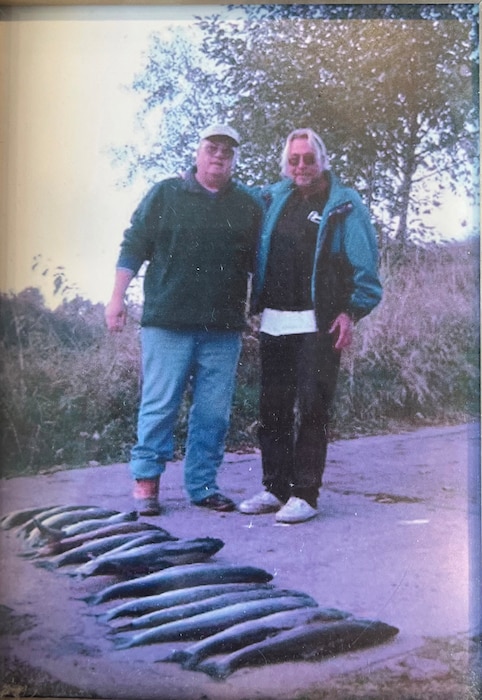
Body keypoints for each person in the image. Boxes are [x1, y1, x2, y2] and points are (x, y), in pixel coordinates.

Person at [105, 124, 262, 516]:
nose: (219, 155)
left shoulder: (247, 204)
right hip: (167, 324)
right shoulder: (165, 193)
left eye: (228, 150)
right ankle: (146, 483)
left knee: (213, 413)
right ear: (198, 151)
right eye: (212, 147)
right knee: (159, 407)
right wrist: (116, 297)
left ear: (234, 158)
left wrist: (262, 305)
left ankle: (203, 485)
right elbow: (134, 243)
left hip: (223, 328)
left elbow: (259, 261)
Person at [239, 127, 382, 524]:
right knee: (274, 409)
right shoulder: (274, 198)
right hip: (274, 322)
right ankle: (275, 488)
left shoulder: (344, 205)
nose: (301, 166)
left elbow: (366, 270)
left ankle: (305, 494)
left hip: (318, 325)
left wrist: (351, 312)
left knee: (313, 408)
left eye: (308, 158)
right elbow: (234, 194)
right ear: (286, 165)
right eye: (294, 159)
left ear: (322, 160)